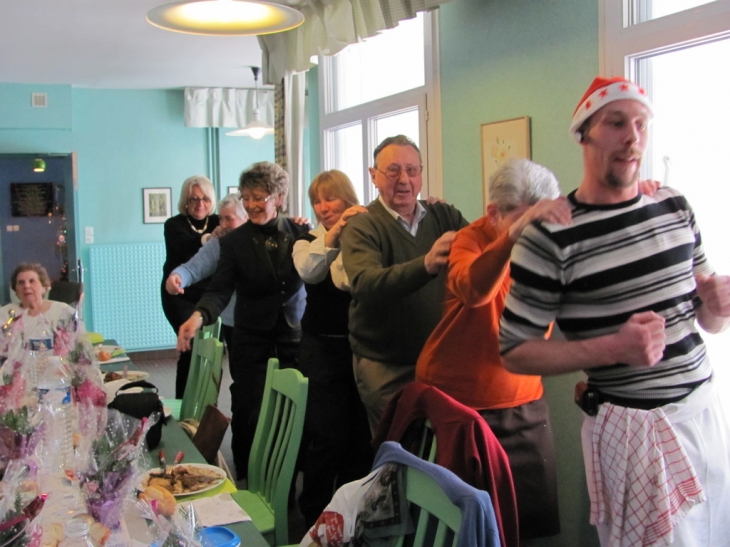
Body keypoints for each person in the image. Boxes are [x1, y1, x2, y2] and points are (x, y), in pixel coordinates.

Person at [500, 76, 730, 546]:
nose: (633, 137)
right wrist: (614, 348)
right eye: (617, 123)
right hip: (635, 433)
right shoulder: (550, 237)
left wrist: (717, 307)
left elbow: (707, 323)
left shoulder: (674, 206)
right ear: (585, 133)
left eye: (641, 124)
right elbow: (514, 352)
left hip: (704, 416)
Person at [415, 158, 571, 543]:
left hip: (523, 404)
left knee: (528, 524)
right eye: (524, 222)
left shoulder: (551, 243)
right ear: (493, 214)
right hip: (460, 404)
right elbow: (473, 290)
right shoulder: (470, 239)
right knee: (463, 526)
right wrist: (512, 236)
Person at [177, 161, 309, 479]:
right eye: (246, 197)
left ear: (278, 197)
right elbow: (220, 288)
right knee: (249, 410)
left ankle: (286, 483)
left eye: (259, 197)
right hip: (251, 339)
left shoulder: (301, 233)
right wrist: (198, 315)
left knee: (292, 413)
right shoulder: (234, 242)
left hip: (292, 337)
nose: (250, 204)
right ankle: (248, 477)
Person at [339, 134, 469, 433]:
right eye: (393, 170)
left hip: (438, 362)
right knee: (398, 456)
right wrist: (426, 264)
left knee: (440, 453)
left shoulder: (443, 214)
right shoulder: (362, 224)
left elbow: (481, 250)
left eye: (412, 170)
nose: (404, 179)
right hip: (386, 367)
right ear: (374, 176)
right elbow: (365, 283)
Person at [292, 169, 373, 527]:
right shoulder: (305, 241)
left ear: (347, 197)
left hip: (359, 348)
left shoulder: (365, 234)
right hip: (320, 351)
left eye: (330, 198)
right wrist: (337, 231)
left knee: (359, 435)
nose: (323, 207)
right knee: (325, 436)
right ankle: (314, 515)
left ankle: (349, 514)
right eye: (317, 201)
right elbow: (311, 272)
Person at [161, 175, 219, 398]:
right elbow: (187, 248)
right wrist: (210, 239)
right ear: (185, 201)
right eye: (194, 199)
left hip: (208, 296)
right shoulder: (174, 225)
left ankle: (208, 404)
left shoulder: (217, 222)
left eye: (205, 198)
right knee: (191, 345)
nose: (200, 204)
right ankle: (184, 404)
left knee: (213, 350)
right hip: (179, 294)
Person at [165, 194, 247, 351]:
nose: (223, 225)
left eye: (228, 219)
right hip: (232, 321)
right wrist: (176, 277)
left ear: (246, 218)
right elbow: (193, 268)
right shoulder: (220, 242)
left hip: (265, 322)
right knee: (240, 372)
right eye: (221, 219)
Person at [0, 263, 82, 361]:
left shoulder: (63, 312)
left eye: (32, 281)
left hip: (58, 371)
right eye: (21, 282)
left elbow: (79, 350)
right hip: (16, 373)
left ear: (44, 287)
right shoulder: (5, 314)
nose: (26, 286)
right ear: (16, 291)